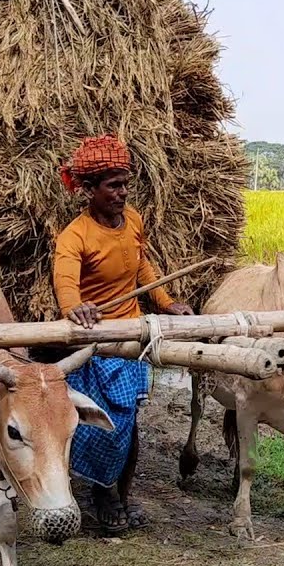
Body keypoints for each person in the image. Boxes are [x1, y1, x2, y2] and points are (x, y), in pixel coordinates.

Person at [52, 134, 193, 534]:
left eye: (125, 184)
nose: (122, 192)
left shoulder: (132, 220)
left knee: (129, 422)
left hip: (132, 337)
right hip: (97, 342)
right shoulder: (74, 236)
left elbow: (142, 267)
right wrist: (74, 307)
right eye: (112, 185)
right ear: (90, 190)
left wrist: (165, 303)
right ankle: (102, 493)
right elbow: (66, 285)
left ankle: (119, 495)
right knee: (103, 424)